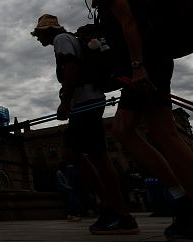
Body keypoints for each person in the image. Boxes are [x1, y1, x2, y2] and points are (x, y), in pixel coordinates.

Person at [66, 0, 193, 241]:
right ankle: (182, 202)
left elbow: (129, 21)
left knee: (164, 131)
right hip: (143, 68)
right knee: (123, 130)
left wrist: (138, 66)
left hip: (147, 66)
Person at [32, 14, 138, 235]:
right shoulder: (70, 38)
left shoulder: (61, 39)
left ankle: (116, 212)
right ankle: (114, 210)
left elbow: (71, 68)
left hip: (85, 103)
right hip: (89, 101)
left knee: (89, 156)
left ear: (47, 31)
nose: (38, 38)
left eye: (39, 34)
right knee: (83, 155)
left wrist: (65, 103)